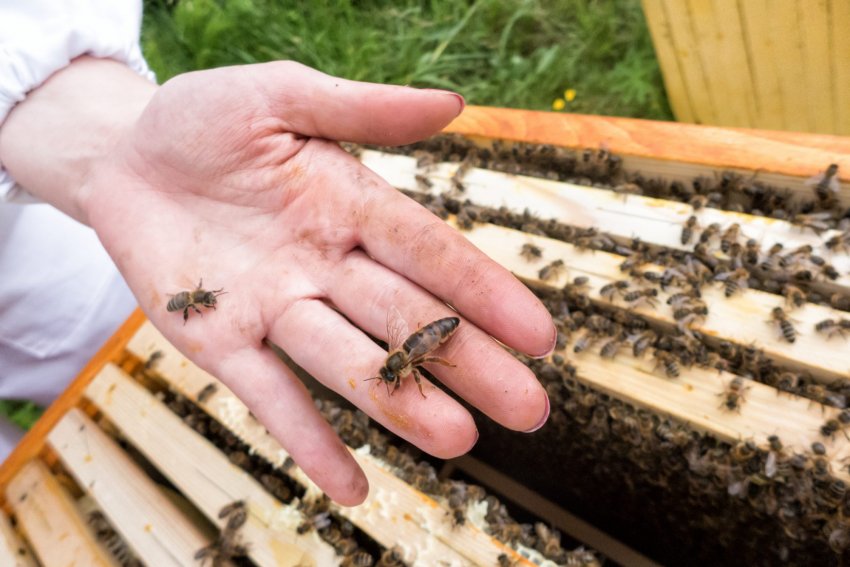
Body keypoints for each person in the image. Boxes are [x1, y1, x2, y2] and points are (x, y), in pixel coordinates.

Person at [0, 1, 553, 506]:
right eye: (392, 374)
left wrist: (95, 136)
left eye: (391, 373)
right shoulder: (393, 357)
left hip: (83, 232)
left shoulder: (398, 356)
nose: (391, 375)